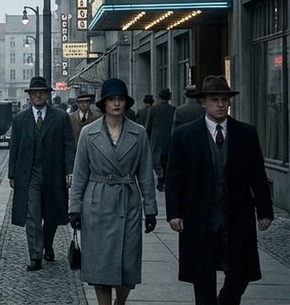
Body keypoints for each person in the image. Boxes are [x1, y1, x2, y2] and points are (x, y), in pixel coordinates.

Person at [165, 75, 274, 305]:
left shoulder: (246, 133)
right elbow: (174, 177)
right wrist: (174, 213)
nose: (221, 104)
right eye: (215, 99)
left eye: (224, 99)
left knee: (240, 272)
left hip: (236, 215)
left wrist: (264, 210)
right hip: (200, 216)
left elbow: (258, 175)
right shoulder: (185, 135)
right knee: (202, 275)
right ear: (203, 102)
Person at [68, 78, 158, 305]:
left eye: (120, 99)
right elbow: (79, 175)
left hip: (128, 202)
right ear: (104, 104)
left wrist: (151, 210)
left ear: (126, 104)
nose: (116, 104)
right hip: (97, 204)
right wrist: (75, 209)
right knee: (100, 264)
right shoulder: (89, 134)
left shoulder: (138, 133)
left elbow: (146, 174)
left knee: (127, 264)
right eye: (111, 100)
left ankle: (121, 302)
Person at [8, 76, 75, 270]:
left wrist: (69, 171)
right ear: (29, 96)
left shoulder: (60, 117)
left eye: (41, 92)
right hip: (29, 174)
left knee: (52, 213)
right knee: (32, 214)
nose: (38, 95)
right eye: (34, 92)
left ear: (47, 94)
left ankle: (47, 244)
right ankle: (35, 256)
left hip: (54, 172)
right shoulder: (20, 119)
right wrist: (12, 174)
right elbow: (15, 148)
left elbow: (69, 146)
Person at [144, 88, 175, 191]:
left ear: (159, 97)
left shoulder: (153, 109)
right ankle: (164, 179)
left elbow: (148, 126)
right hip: (169, 139)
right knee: (167, 160)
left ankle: (160, 179)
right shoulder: (174, 110)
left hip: (156, 139)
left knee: (157, 161)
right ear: (169, 97)